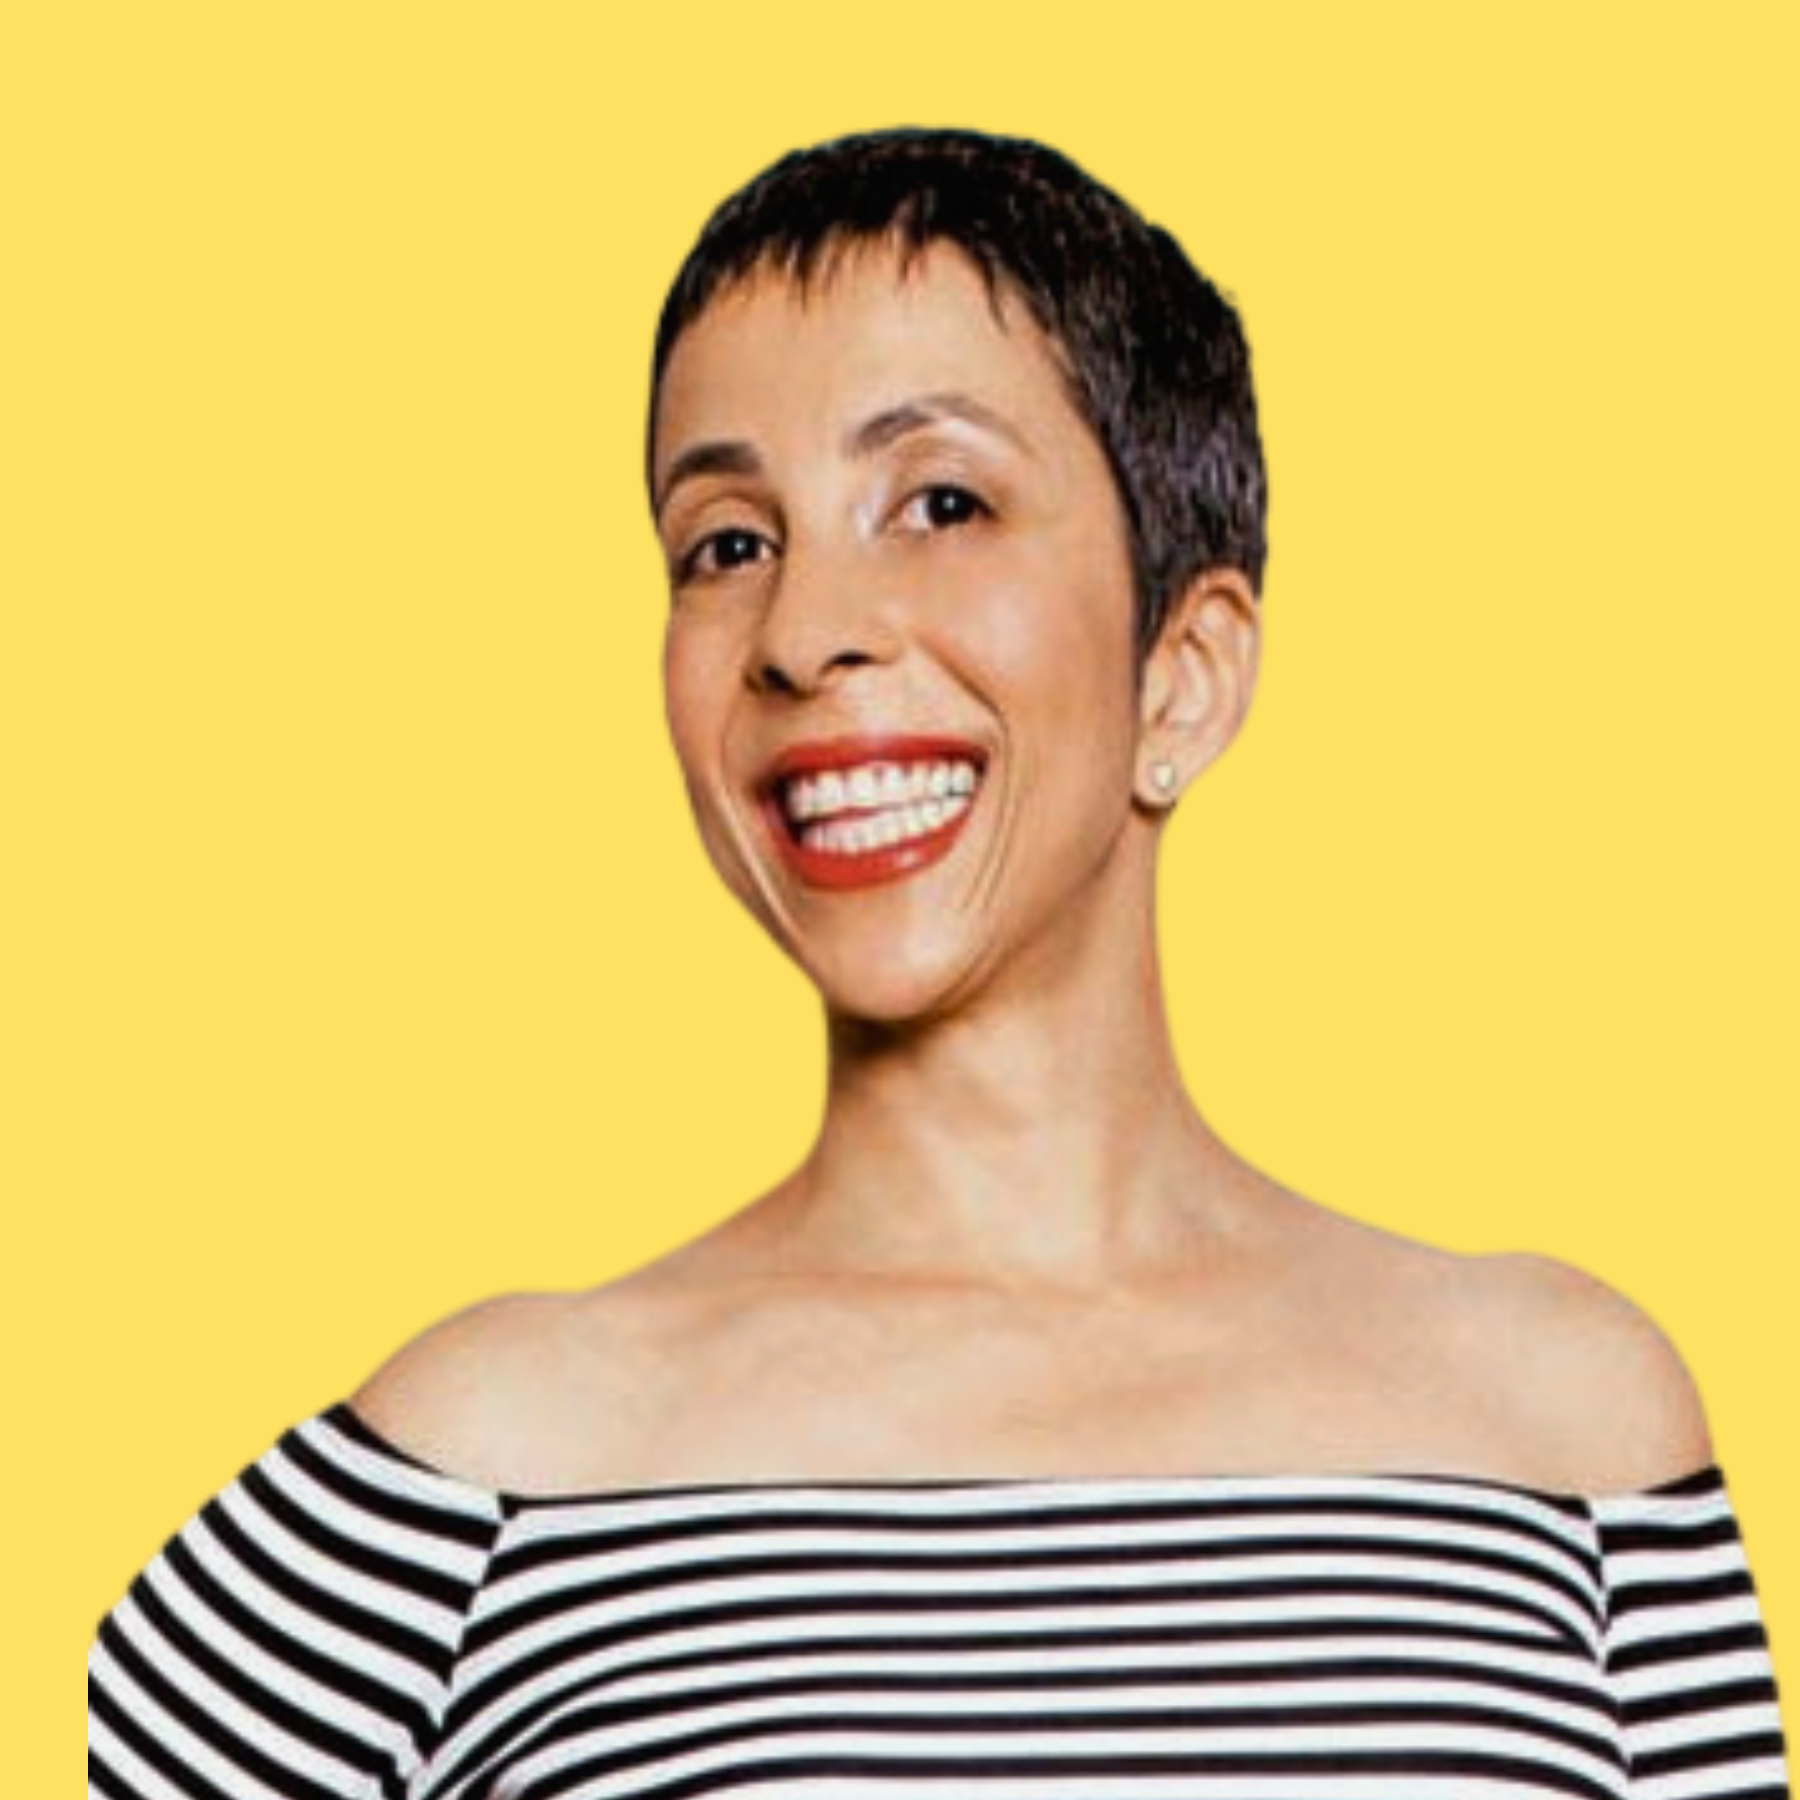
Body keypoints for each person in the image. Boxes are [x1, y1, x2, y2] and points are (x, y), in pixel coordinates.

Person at [89, 126, 1789, 1800]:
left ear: (1184, 672)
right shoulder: (486, 1460)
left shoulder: (1569, 1423)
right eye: (727, 543)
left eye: (941, 502)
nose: (804, 631)